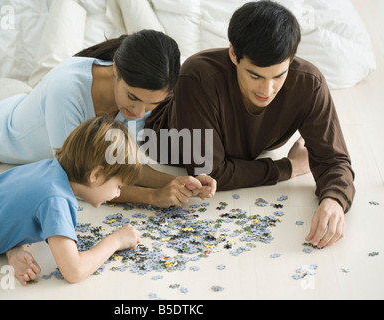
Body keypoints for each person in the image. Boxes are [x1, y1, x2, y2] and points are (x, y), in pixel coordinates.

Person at [144, 1, 355, 248]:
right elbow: (209, 174)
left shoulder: (309, 83)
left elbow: (335, 160)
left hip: (241, 148)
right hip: (162, 140)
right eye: (255, 75)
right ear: (233, 53)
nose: (267, 90)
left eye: (279, 76)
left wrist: (334, 200)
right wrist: (288, 167)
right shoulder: (197, 75)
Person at [0, 29, 216, 207]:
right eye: (133, 98)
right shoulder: (67, 88)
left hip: (10, 94)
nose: (140, 113)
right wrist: (153, 197)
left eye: (152, 105)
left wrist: (184, 182)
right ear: (116, 67)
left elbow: (123, 165)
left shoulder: (135, 99)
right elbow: (78, 180)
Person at [0, 117, 145, 285]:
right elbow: (74, 271)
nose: (118, 194)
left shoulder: (47, 169)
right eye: (118, 185)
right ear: (96, 175)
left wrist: (14, 249)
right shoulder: (56, 199)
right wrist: (115, 241)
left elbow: (5, 211)